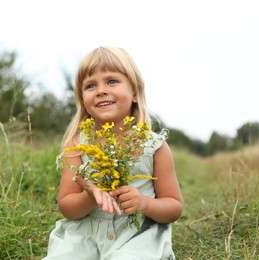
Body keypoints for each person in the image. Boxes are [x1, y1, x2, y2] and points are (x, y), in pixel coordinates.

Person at [44, 46, 183, 260]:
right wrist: (90, 196)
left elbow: (173, 206)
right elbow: (67, 207)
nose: (101, 90)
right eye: (91, 85)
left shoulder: (154, 146)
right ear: (83, 99)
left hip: (136, 236)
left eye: (111, 81)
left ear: (135, 93)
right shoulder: (77, 145)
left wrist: (143, 203)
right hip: (85, 236)